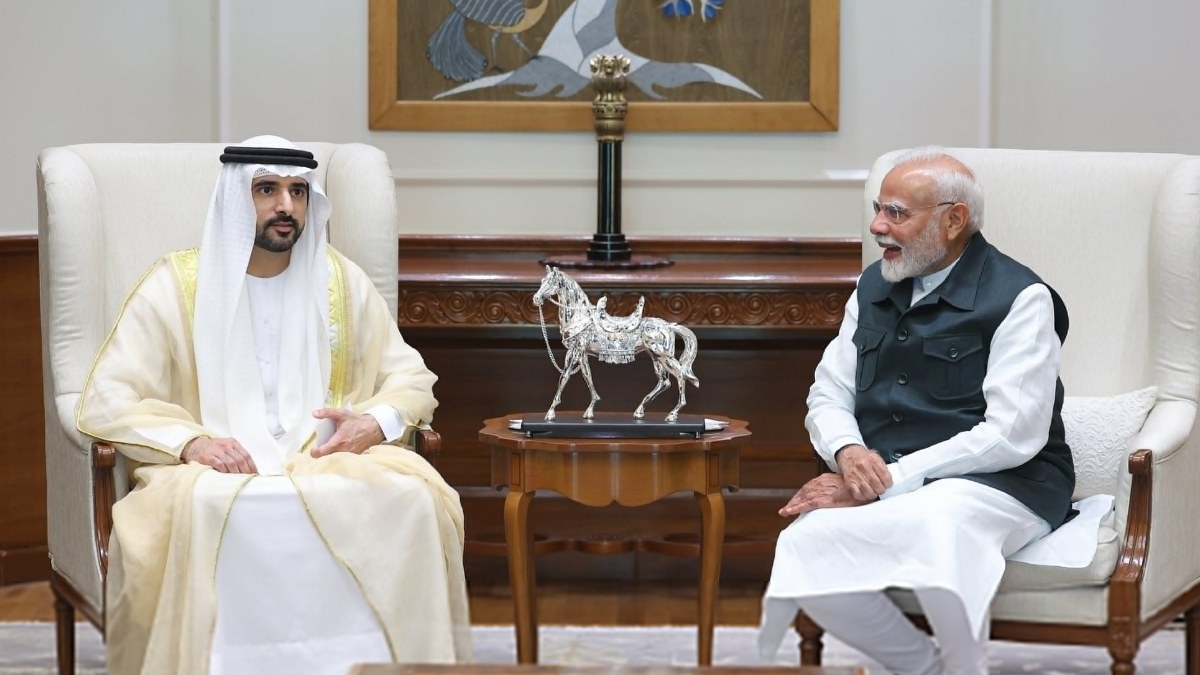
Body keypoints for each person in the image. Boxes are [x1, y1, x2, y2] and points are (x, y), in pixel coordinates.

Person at [77, 136, 472, 675]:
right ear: (236, 198)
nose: (286, 205)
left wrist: (372, 423)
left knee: (413, 499)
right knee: (207, 506)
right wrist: (192, 443)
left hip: (326, 457)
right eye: (267, 189)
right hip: (216, 468)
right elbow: (107, 395)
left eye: (297, 192)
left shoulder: (339, 281)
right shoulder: (175, 285)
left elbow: (409, 376)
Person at [757, 148, 1080, 675]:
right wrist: (849, 453)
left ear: (954, 220)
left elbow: (1011, 435)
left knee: (940, 521)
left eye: (897, 213)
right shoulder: (872, 286)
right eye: (878, 209)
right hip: (894, 479)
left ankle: (964, 667)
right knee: (805, 544)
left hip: (1005, 482)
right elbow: (828, 392)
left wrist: (884, 480)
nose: (877, 226)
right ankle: (926, 668)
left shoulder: (1021, 297)